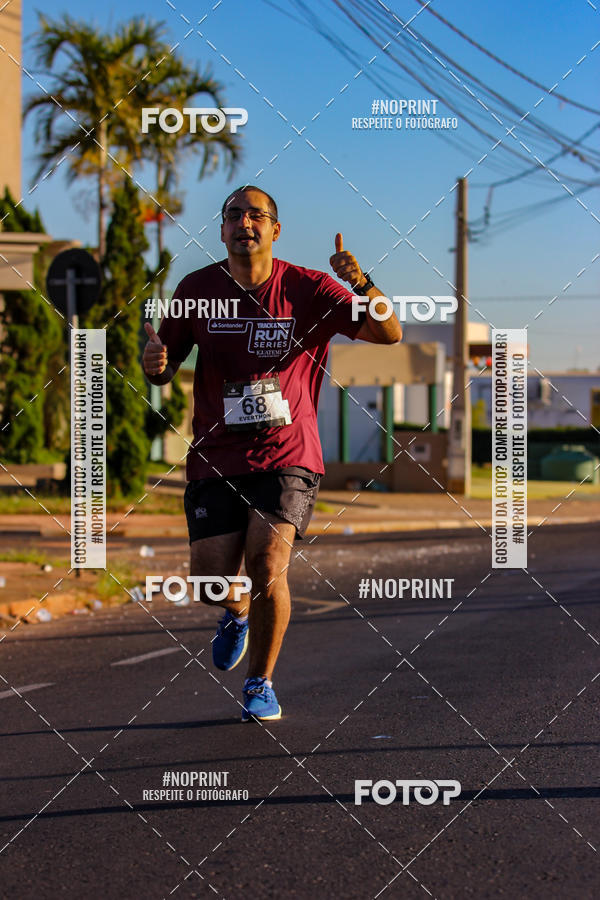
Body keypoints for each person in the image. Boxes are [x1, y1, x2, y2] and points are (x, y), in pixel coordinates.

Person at [142, 185, 401, 722]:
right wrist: (155, 365)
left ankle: (259, 682)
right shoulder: (197, 290)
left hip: (288, 452)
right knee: (210, 582)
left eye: (256, 215)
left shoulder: (308, 288)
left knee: (267, 563)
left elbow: (389, 332)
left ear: (275, 230)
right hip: (216, 455)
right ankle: (235, 611)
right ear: (222, 230)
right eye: (234, 215)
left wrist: (361, 282)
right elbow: (165, 366)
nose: (245, 223)